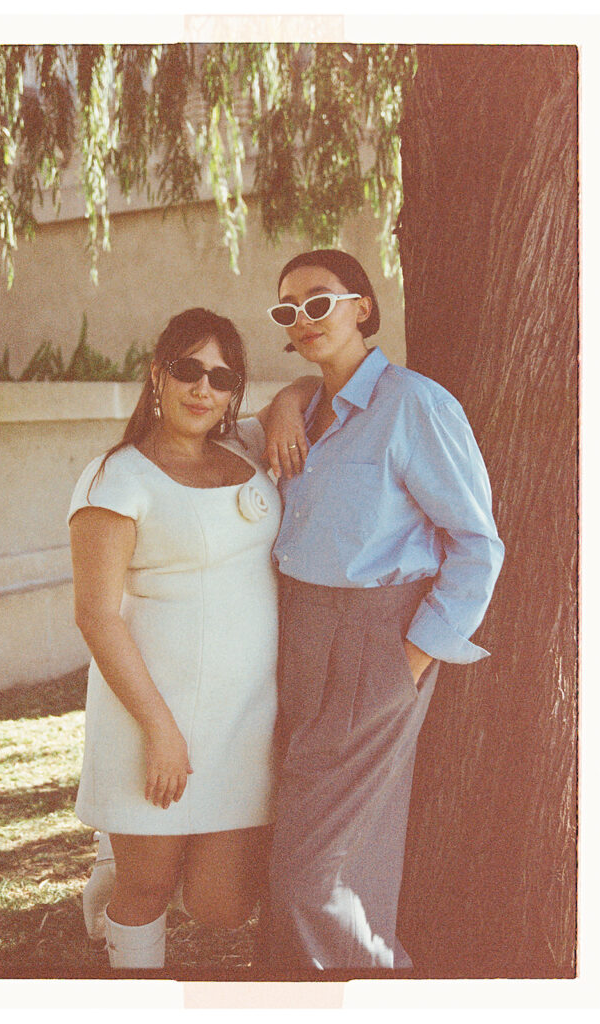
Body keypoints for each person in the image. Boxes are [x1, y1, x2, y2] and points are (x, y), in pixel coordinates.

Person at [256, 248, 505, 972]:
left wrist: (413, 655)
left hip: (375, 642)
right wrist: (280, 400)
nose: (304, 319)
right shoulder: (300, 410)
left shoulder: (416, 404)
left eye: (319, 301)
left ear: (361, 307)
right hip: (297, 639)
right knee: (314, 860)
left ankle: (382, 991)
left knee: (310, 878)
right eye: (288, 309)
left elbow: (475, 545)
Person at [68, 308, 280, 970]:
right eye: (188, 370)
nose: (202, 389)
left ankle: (116, 855)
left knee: (223, 906)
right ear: (157, 376)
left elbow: (301, 395)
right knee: (150, 886)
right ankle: (128, 936)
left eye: (221, 377)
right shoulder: (116, 477)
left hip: (246, 717)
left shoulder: (243, 451)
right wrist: (160, 731)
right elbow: (97, 615)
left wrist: (295, 403)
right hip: (153, 716)